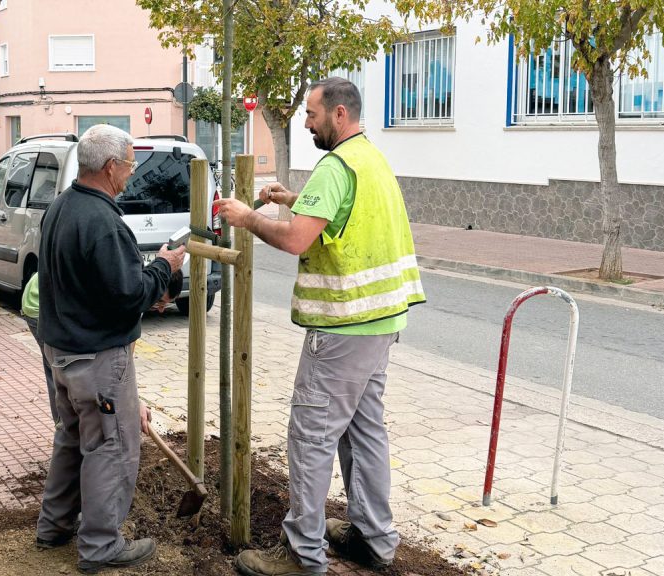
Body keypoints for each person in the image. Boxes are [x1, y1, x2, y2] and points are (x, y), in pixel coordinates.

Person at [214, 77, 426, 576]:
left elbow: (296, 242)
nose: (305, 122)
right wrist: (293, 199)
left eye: (311, 114)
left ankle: (303, 554)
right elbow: (339, 217)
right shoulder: (369, 158)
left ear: (339, 115)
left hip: (342, 330)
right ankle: (374, 539)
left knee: (311, 435)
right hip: (379, 325)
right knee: (364, 432)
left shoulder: (334, 166)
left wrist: (247, 218)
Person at [35, 124, 186, 574]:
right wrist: (163, 267)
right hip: (97, 358)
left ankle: (54, 527)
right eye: (129, 166)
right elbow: (127, 295)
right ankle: (100, 546)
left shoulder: (60, 207)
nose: (132, 174)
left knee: (71, 438)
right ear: (110, 166)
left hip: (61, 350)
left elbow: (94, 283)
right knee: (111, 448)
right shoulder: (102, 221)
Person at [21, 268, 183, 433]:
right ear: (156, 286)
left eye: (167, 304)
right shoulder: (132, 292)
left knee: (70, 371)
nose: (162, 310)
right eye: (160, 302)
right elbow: (120, 362)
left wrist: (131, 398)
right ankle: (69, 433)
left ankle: (71, 434)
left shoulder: (138, 283)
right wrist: (134, 400)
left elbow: (124, 360)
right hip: (41, 302)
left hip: (57, 293)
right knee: (66, 370)